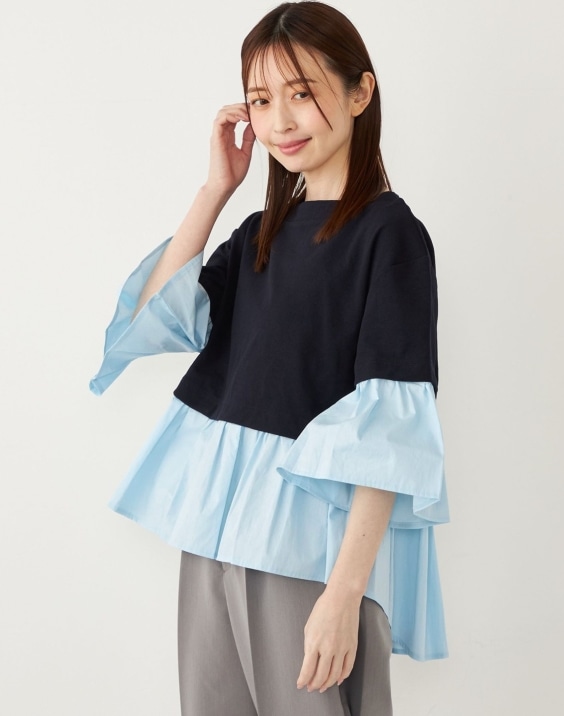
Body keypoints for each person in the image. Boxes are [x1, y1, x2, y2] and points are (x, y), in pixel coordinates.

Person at [90, 2, 449, 714]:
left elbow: (389, 430)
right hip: (214, 530)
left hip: (307, 543)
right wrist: (215, 189)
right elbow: (156, 317)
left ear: (360, 92)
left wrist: (344, 593)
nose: (280, 120)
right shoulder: (260, 232)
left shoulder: (389, 235)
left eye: (302, 92)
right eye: (260, 99)